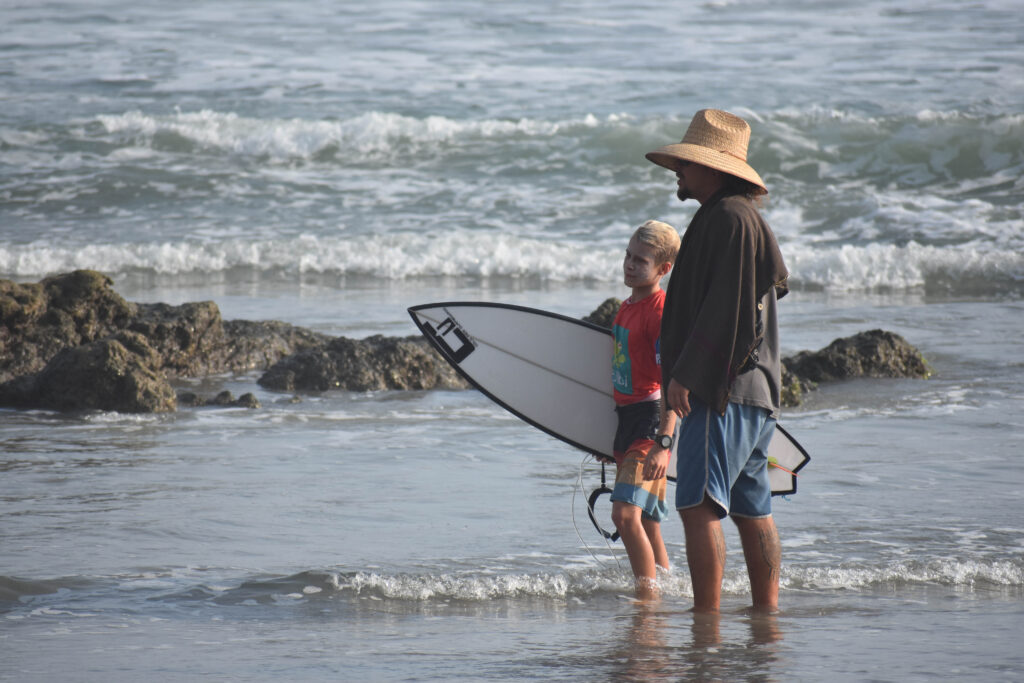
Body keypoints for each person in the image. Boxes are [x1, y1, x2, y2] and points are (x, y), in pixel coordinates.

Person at [643, 109, 789, 613]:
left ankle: (707, 621)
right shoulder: (743, 218)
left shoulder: (726, 218)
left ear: (715, 168)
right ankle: (765, 615)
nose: (678, 170)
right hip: (758, 394)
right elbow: (748, 303)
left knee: (699, 506)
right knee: (753, 510)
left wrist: (687, 374)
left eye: (688, 162)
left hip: (723, 390)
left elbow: (726, 309)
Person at [607, 219, 681, 599]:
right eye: (628, 255)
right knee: (649, 521)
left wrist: (663, 443)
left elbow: (673, 380)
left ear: (663, 270)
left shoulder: (659, 312)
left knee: (624, 515)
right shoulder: (626, 307)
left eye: (641, 260)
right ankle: (669, 593)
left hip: (650, 423)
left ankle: (646, 599)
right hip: (627, 421)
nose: (630, 265)